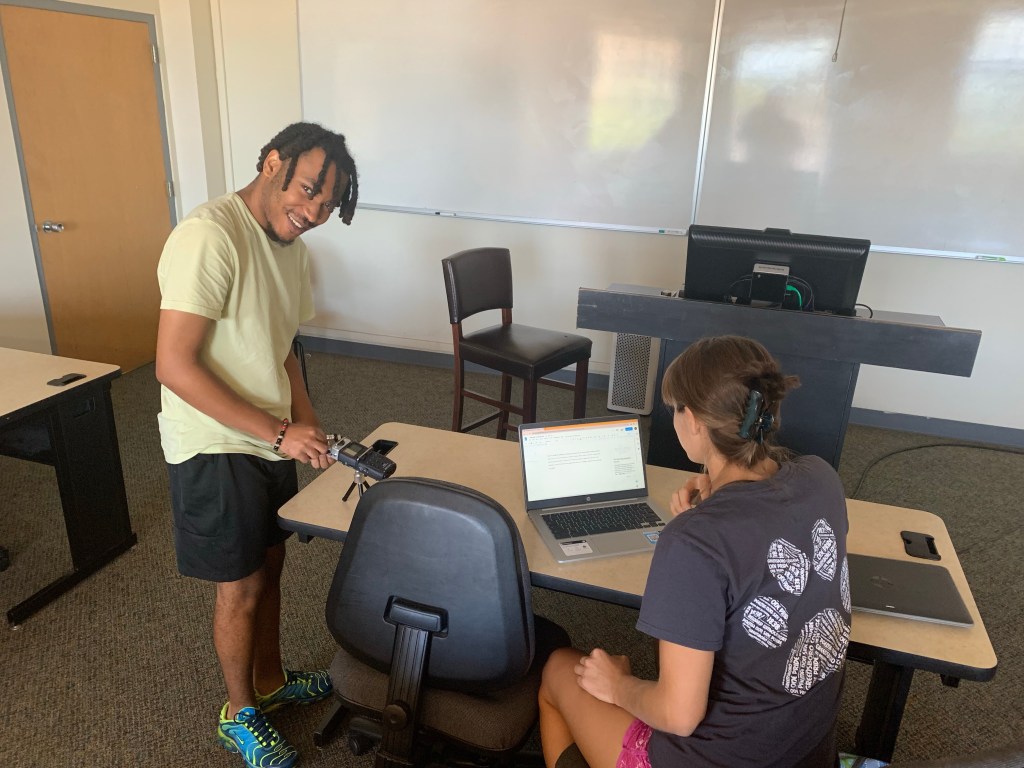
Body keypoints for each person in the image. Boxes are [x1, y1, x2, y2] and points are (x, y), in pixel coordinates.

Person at [539, 335, 851, 768]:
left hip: (715, 759)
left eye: (674, 409)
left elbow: (678, 716)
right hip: (805, 749)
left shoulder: (693, 542)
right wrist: (716, 494)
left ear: (695, 421)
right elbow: (763, 525)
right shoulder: (821, 477)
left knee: (557, 670)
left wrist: (618, 685)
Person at [155, 122, 359, 768]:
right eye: (308, 191)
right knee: (240, 585)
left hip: (269, 437)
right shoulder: (210, 236)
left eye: (328, 205)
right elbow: (173, 365)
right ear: (273, 162)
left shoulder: (290, 246)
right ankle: (238, 712)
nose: (313, 213)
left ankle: (270, 682)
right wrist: (278, 431)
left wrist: (306, 421)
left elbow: (283, 347)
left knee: (272, 564)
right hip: (215, 441)